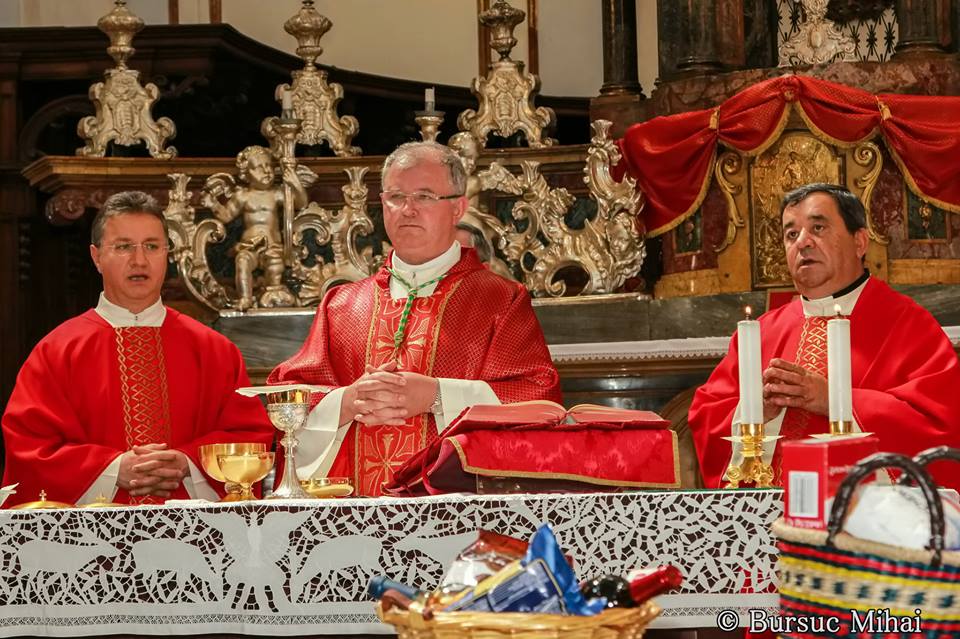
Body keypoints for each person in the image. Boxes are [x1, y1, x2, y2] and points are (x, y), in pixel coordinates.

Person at [268, 141, 562, 496]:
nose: (407, 209)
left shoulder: (500, 299)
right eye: (395, 197)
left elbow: (538, 400)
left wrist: (436, 396)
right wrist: (346, 403)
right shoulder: (342, 304)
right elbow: (289, 397)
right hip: (351, 517)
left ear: (458, 207)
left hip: (457, 515)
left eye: (424, 196)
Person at [1, 191, 274, 507]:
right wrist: (114, 469)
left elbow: (250, 438)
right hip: (91, 542)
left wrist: (188, 463)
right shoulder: (57, 352)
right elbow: (30, 448)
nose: (140, 260)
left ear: (167, 254)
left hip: (194, 538)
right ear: (96, 256)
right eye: (123, 247)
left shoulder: (214, 350)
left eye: (152, 246)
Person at [689, 183, 960, 490]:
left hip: (864, 521)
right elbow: (706, 416)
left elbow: (941, 426)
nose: (802, 242)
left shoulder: (908, 324)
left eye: (818, 227)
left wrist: (834, 399)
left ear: (859, 241)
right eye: (791, 234)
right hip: (768, 521)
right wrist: (755, 413)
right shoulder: (761, 332)